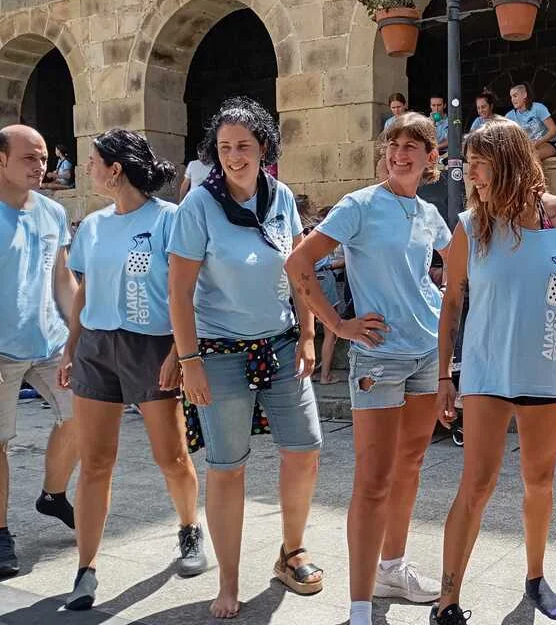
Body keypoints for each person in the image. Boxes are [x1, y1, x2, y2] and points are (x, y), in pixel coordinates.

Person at [285, 111, 450, 625]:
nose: (399, 155)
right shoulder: (358, 205)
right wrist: (338, 323)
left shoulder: (429, 213)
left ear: (431, 157)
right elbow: (298, 263)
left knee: (411, 465)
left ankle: (392, 569)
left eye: (411, 147)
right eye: (392, 145)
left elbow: (461, 266)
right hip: (378, 358)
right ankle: (359, 605)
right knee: (373, 478)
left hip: (427, 353)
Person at [431, 119, 556, 625]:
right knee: (476, 485)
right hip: (486, 375)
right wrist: (444, 376)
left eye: (479, 164)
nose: (470, 175)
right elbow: (452, 304)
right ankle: (447, 601)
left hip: (546, 372)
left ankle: (535, 577)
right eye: (469, 165)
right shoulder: (470, 226)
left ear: (508, 162)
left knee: (539, 480)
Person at [167, 97, 323, 619]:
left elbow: (299, 271)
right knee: (227, 467)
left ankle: (291, 552)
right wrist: (189, 361)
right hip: (219, 353)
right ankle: (229, 582)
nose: (234, 157)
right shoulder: (198, 206)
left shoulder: (281, 198)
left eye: (244, 146)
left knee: (304, 449)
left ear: (264, 148)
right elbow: (179, 292)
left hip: (279, 345)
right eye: (225, 147)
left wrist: (307, 334)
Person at [57, 129, 208, 610]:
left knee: (172, 456)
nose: (87, 168)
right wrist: (71, 347)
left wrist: (178, 353)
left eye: (93, 161)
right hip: (97, 348)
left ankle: (190, 527)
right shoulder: (92, 226)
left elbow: (190, 291)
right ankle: (85, 569)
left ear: (115, 169)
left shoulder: (169, 219)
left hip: (153, 346)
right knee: (95, 462)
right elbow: (84, 290)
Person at [0, 124, 79, 576]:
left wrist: (79, 335)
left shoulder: (52, 212)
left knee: (84, 416)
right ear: (1, 160)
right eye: (29, 157)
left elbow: (62, 278)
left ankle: (53, 494)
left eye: (44, 157)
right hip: (1, 350)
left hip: (51, 343)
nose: (41, 165)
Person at [308, 206, 345, 385]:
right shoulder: (326, 233)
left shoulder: (305, 234)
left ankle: (307, 373)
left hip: (307, 281)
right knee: (331, 330)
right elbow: (330, 263)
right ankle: (325, 376)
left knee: (308, 329)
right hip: (324, 278)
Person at [506, 82, 556, 161]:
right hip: (528, 147)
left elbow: (553, 130)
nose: (512, 100)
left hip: (549, 143)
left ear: (525, 95)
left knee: (531, 157)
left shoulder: (538, 108)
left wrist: (536, 143)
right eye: (511, 97)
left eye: (515, 96)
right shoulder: (510, 116)